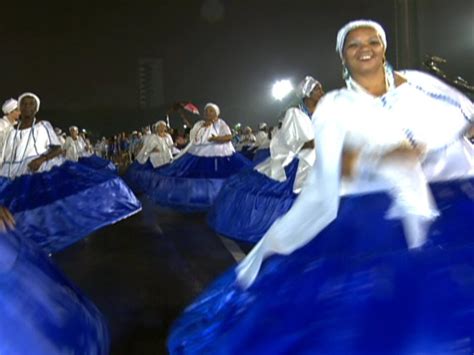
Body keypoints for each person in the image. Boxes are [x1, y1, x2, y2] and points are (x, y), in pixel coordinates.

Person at [168, 20, 474, 354]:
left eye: (372, 40)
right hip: (375, 212)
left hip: (450, 201)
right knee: (386, 313)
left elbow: (464, 117)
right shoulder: (336, 106)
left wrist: (428, 145)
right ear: (343, 57)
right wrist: (382, 159)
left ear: (384, 46)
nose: (364, 49)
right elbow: (334, 165)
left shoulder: (418, 83)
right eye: (353, 45)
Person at [0, 93, 141, 253]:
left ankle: (47, 241)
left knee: (46, 206)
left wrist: (42, 159)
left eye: (31, 104)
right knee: (19, 210)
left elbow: (57, 148)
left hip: (38, 170)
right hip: (12, 173)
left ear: (36, 108)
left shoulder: (43, 126)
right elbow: (5, 155)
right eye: (24, 104)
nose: (27, 107)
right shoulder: (11, 132)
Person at [208, 76, 324, 243]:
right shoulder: (295, 113)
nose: (322, 92)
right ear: (308, 93)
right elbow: (295, 143)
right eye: (318, 89)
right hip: (301, 161)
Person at [146, 103, 251, 211]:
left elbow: (228, 137)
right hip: (199, 153)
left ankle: (220, 199)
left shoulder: (221, 123)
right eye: (206, 111)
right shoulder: (200, 124)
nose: (207, 113)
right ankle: (199, 199)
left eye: (210, 111)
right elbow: (194, 138)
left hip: (219, 154)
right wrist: (185, 140)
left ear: (216, 113)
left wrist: (216, 139)